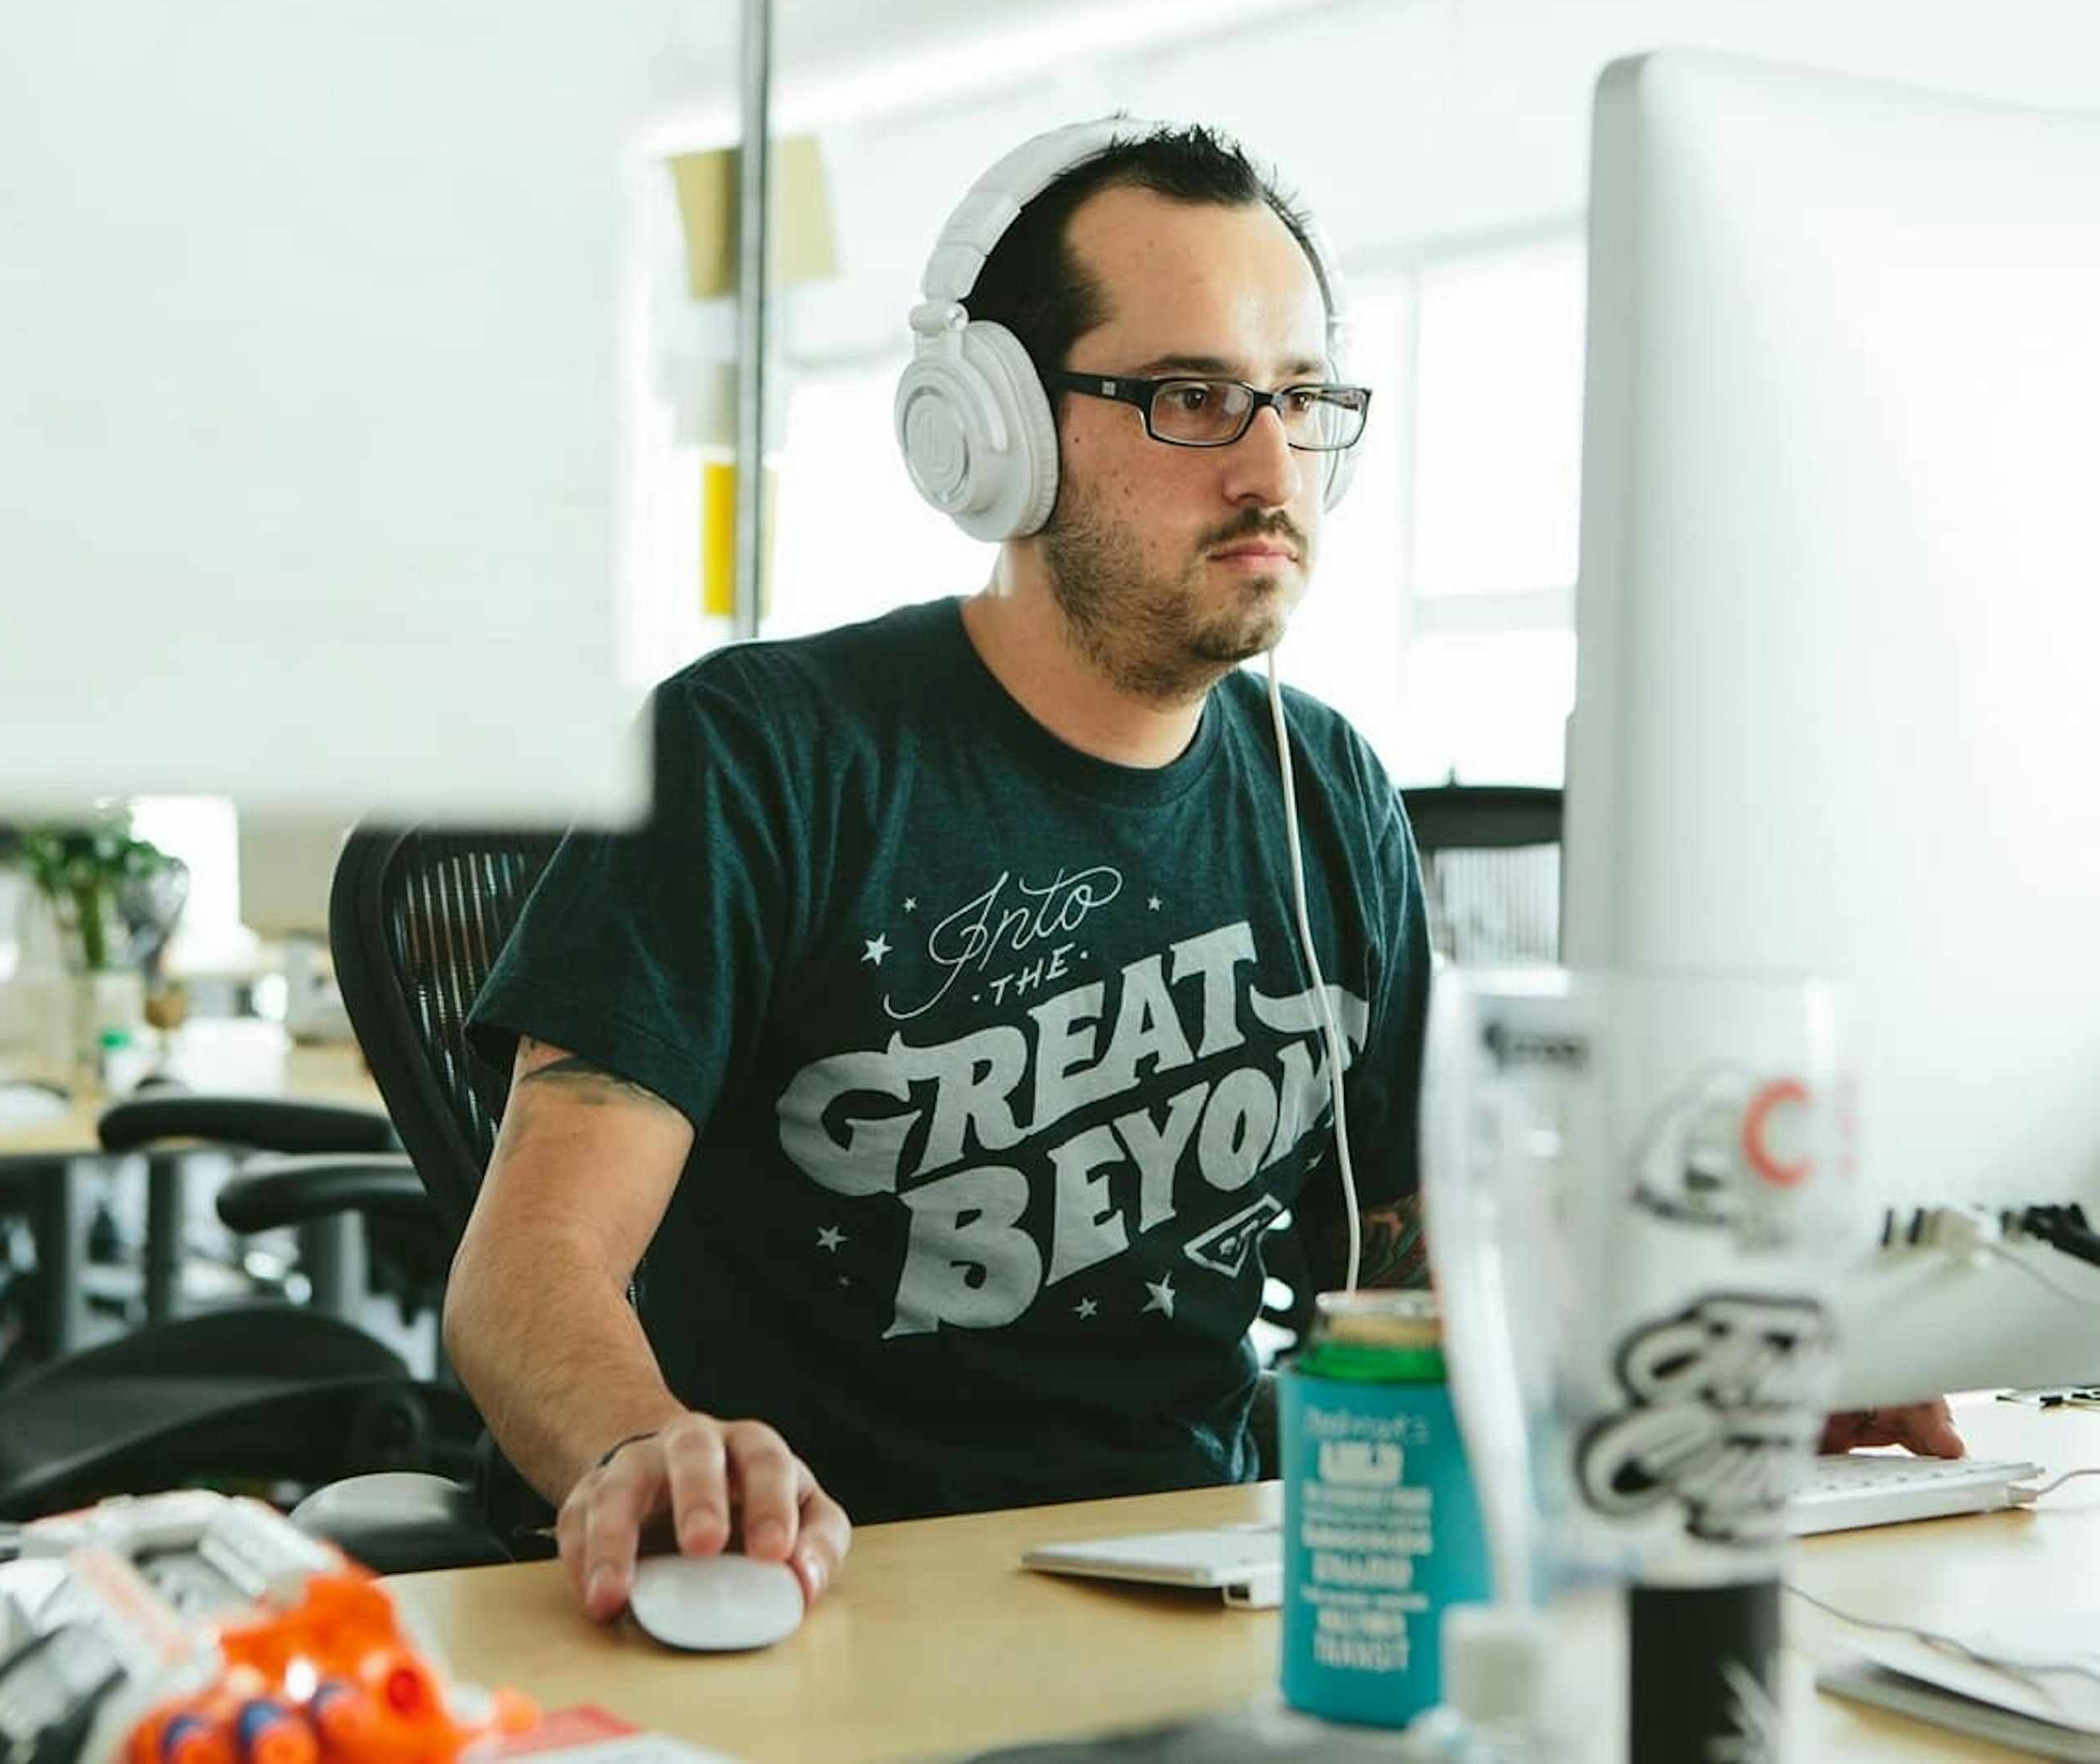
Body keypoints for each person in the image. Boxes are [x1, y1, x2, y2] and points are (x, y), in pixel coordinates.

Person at [449, 116, 1958, 1628]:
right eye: (1192, 397)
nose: (1270, 468)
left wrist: (1684, 1381)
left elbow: (1420, 1245)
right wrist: (650, 1449)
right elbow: (530, 1260)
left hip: (1210, 1577)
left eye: (1302, 402)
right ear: (997, 429)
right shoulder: (759, 752)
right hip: (824, 1587)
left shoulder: (1327, 787)